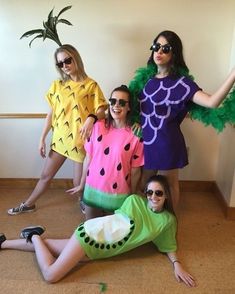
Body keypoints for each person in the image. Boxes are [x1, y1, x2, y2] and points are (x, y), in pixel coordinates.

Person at [0, 175, 196, 286]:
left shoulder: (167, 221)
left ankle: (4, 242)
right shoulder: (135, 201)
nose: (153, 196)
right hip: (92, 235)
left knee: (51, 247)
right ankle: (34, 236)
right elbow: (117, 222)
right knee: (51, 275)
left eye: (158, 193)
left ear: (167, 196)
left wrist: (176, 263)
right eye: (149, 192)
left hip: (98, 250)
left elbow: (168, 243)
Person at [130, 30, 235, 211]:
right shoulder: (144, 80)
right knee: (144, 184)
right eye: (156, 47)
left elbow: (212, 102)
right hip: (145, 142)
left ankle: (170, 223)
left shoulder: (182, 83)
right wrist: (136, 121)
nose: (159, 52)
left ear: (174, 53)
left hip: (167, 143)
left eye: (166, 48)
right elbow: (136, 107)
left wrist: (233, 74)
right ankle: (148, 222)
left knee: (168, 186)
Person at [7, 44, 108, 215]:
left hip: (80, 140)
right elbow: (52, 114)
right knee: (46, 175)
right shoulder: (57, 85)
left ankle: (83, 203)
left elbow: (102, 110)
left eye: (67, 60)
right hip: (60, 139)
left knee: (78, 182)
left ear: (76, 58)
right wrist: (42, 138)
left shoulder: (91, 85)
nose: (65, 66)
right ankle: (29, 204)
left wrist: (91, 118)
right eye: (60, 64)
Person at [66, 85, 144, 219]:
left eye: (122, 102)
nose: (116, 106)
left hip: (118, 195)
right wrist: (81, 184)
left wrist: (131, 194)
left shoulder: (135, 134)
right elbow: (88, 159)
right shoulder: (96, 127)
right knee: (91, 232)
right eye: (113, 101)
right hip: (92, 191)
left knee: (112, 236)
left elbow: (135, 170)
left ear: (129, 107)